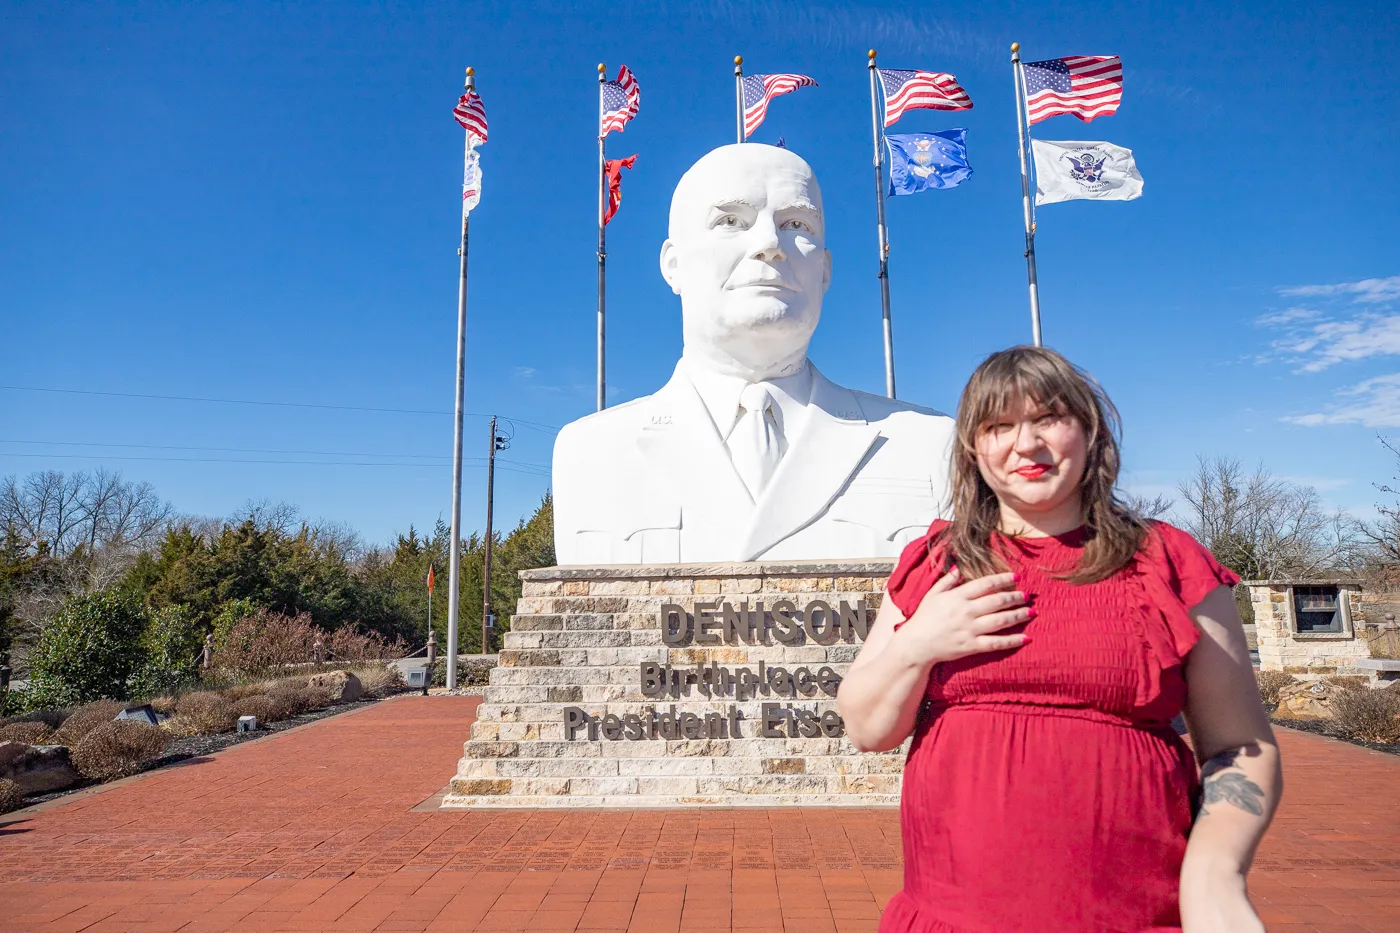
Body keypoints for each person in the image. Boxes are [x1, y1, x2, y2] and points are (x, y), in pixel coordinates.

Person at [837, 346, 1280, 933]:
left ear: (1089, 431)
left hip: (1134, 916)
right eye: (998, 426)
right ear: (973, 447)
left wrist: (1215, 877)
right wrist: (916, 643)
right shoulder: (935, 565)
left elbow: (1239, 745)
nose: (1025, 444)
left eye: (1048, 419)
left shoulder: (1168, 561)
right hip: (953, 916)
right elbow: (868, 729)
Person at [552, 144, 955, 565]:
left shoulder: (927, 443)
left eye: (796, 223)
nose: (768, 243)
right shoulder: (590, 453)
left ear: (825, 270)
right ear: (673, 265)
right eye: (730, 220)